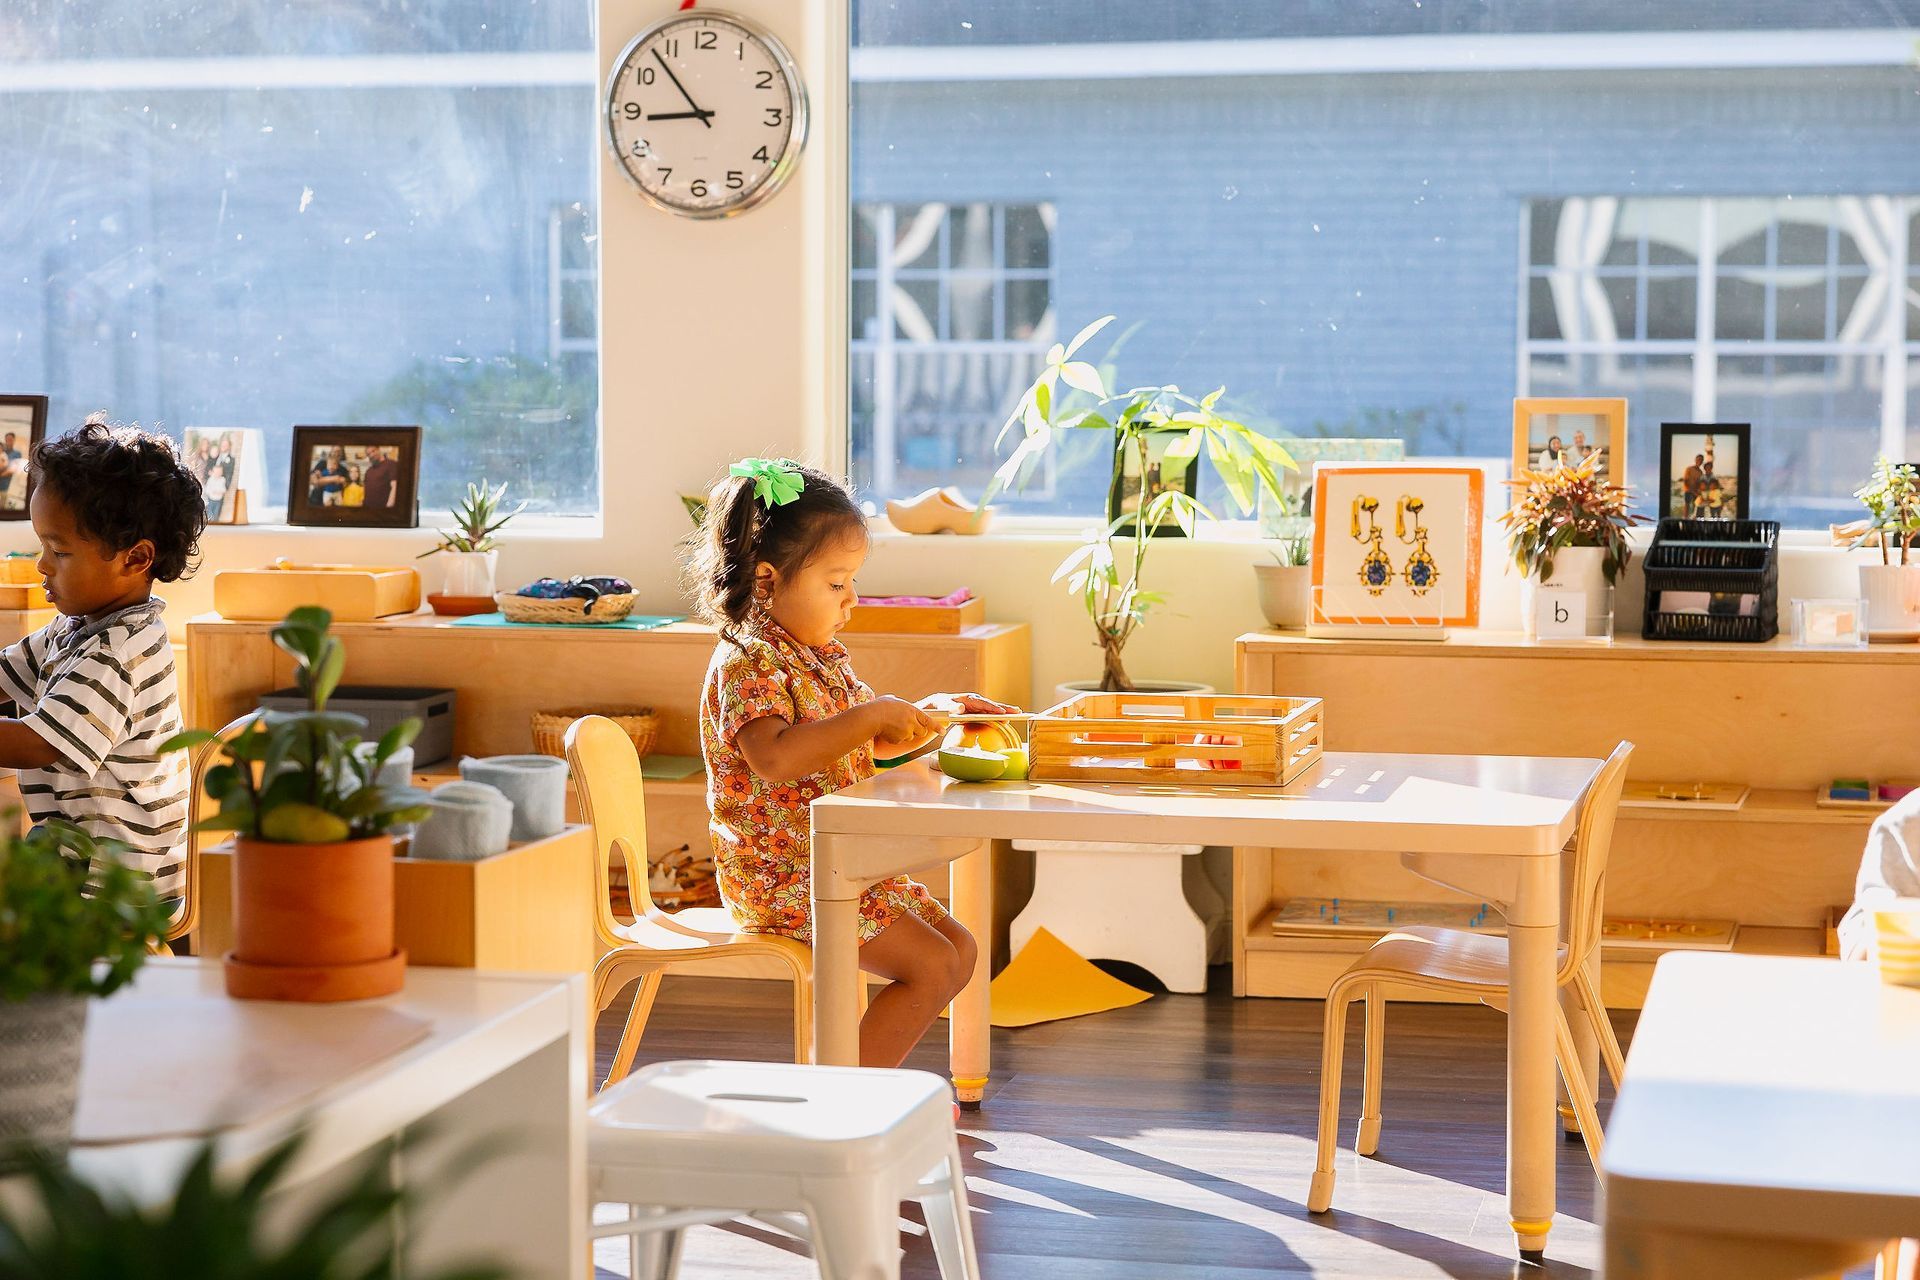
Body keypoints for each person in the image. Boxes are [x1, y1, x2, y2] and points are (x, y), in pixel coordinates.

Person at [690, 458, 1014, 1068]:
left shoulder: (818, 653)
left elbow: (866, 742)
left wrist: (931, 717)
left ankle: (847, 1084)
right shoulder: (749, 659)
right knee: (933, 965)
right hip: (782, 876)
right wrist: (870, 718)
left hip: (839, 862)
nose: (851, 601)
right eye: (837, 584)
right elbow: (776, 759)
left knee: (959, 951)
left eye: (852, 583)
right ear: (765, 582)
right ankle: (841, 1100)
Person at [0, 420, 204, 903]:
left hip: (114, 879)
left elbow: (35, 743)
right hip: (76, 853)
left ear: (134, 559)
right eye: (42, 546)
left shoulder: (116, 652)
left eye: (60, 550)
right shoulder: (80, 627)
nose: (42, 565)